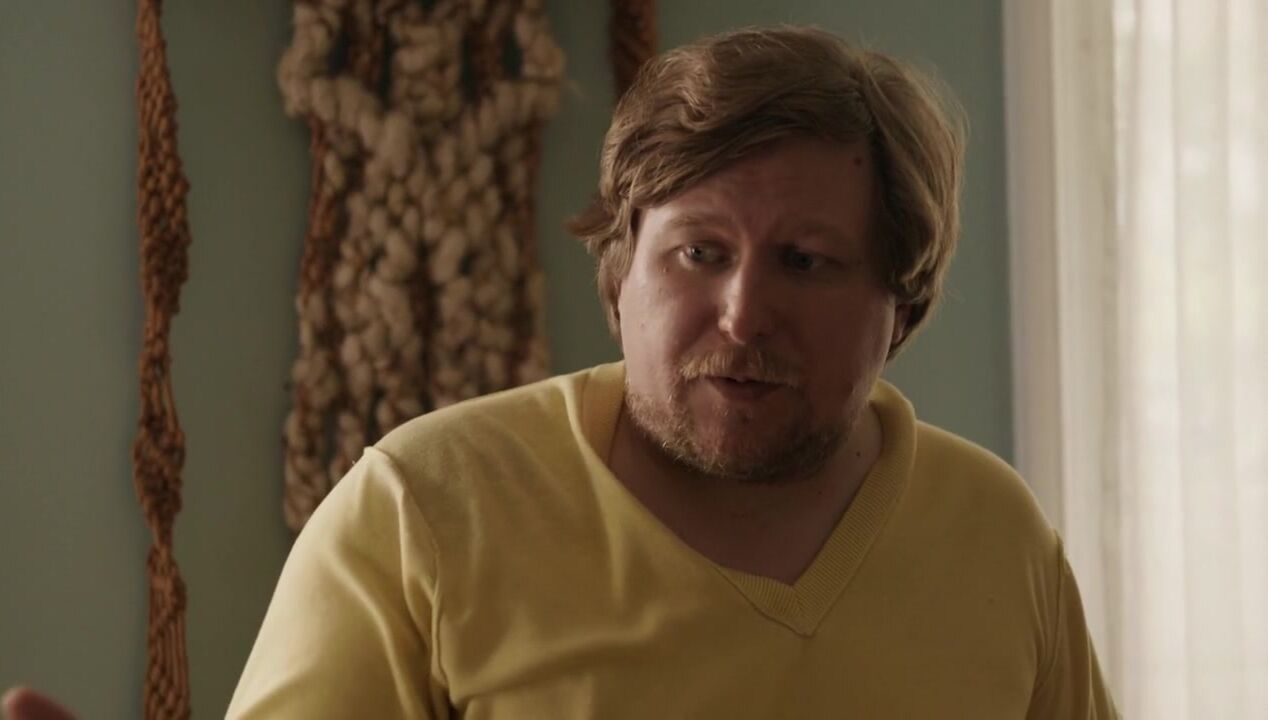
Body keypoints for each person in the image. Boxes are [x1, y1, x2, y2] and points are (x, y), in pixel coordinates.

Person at [5, 25, 1118, 720]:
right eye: (699, 253)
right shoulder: (421, 511)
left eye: (805, 261)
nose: (743, 313)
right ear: (619, 276)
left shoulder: (992, 534)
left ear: (901, 307)